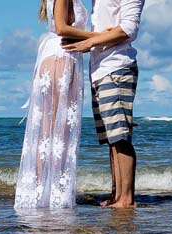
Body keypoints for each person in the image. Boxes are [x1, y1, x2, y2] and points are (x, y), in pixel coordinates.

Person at [14, 0, 101, 210]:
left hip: (61, 56)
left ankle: (44, 192)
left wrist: (91, 42)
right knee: (56, 132)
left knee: (52, 132)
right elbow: (62, 28)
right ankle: (49, 195)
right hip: (60, 58)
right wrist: (99, 37)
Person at [64, 0, 144, 209]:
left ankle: (126, 199)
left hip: (117, 67)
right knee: (111, 138)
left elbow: (128, 29)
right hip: (100, 70)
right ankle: (118, 195)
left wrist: (90, 42)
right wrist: (98, 37)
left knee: (120, 136)